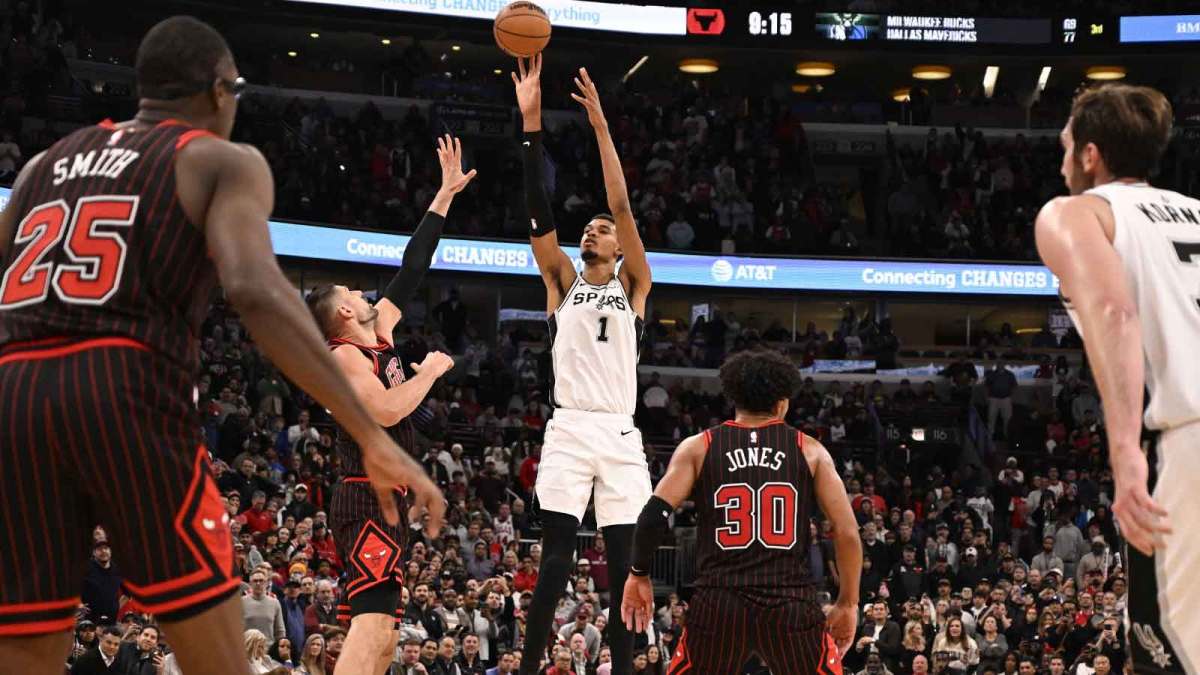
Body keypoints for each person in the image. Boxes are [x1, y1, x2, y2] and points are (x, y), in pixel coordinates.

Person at [0, 16, 441, 674]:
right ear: (219, 90)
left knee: (29, 648)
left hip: (16, 399)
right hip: (125, 389)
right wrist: (370, 434)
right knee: (216, 648)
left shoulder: (40, 166)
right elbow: (256, 290)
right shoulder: (215, 157)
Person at [1035, 82, 1196, 672]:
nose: (1061, 161)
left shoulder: (1073, 212)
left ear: (1089, 154)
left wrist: (1126, 453)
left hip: (1184, 434)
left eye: (1065, 146)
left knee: (1164, 651)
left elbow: (1113, 312)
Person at [303, 136, 470, 674]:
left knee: (385, 635)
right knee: (371, 624)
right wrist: (429, 374)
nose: (363, 292)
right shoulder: (346, 357)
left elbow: (413, 267)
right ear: (345, 314)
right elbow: (389, 411)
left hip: (388, 495)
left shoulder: (380, 331)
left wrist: (443, 196)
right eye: (352, 292)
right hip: (365, 494)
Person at [512, 54, 652, 675]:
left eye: (602, 229)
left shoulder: (636, 284)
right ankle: (527, 668)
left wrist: (599, 126)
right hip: (568, 427)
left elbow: (622, 205)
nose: (592, 232)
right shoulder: (561, 280)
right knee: (557, 565)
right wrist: (532, 122)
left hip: (620, 433)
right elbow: (537, 207)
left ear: (619, 245)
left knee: (625, 571)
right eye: (589, 228)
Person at [622, 350, 862, 672]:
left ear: (733, 397)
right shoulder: (810, 450)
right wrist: (847, 602)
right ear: (782, 402)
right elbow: (846, 532)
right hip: (789, 603)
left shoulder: (700, 446)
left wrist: (638, 573)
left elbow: (653, 516)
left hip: (719, 602)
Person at [243, 569, 286, 646]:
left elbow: (280, 632)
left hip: (268, 650)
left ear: (267, 583)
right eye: (255, 581)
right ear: (250, 584)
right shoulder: (241, 602)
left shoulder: (275, 603)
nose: (258, 583)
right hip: (247, 649)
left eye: (261, 581)